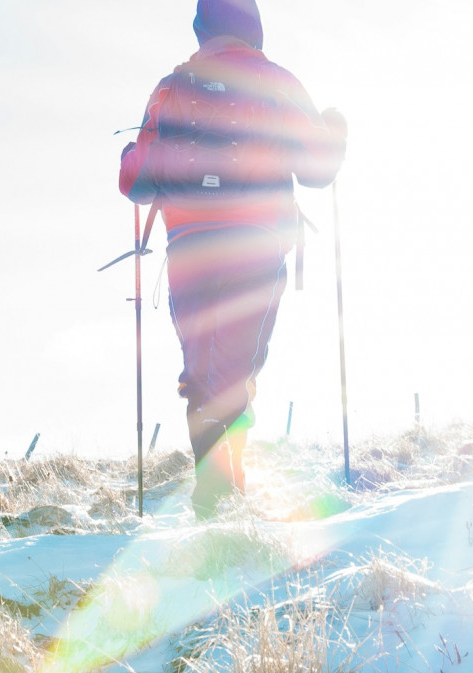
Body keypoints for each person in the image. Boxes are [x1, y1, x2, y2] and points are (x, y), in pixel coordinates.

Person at [119, 0, 347, 518]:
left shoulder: (173, 86)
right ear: (253, 26)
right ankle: (220, 501)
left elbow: (137, 181)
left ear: (202, 28)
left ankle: (216, 497)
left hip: (191, 251)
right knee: (233, 372)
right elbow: (316, 168)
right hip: (255, 245)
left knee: (203, 374)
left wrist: (126, 155)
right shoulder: (276, 81)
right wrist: (337, 131)